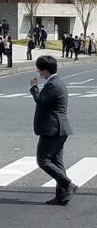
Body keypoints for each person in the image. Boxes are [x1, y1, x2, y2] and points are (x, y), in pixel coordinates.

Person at [29, 55, 78, 206]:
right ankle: (62, 197)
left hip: (53, 129)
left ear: (45, 71)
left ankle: (68, 184)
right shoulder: (56, 83)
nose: (38, 73)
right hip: (59, 129)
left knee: (43, 160)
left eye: (39, 70)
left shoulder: (53, 85)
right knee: (57, 162)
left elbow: (42, 101)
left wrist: (33, 88)